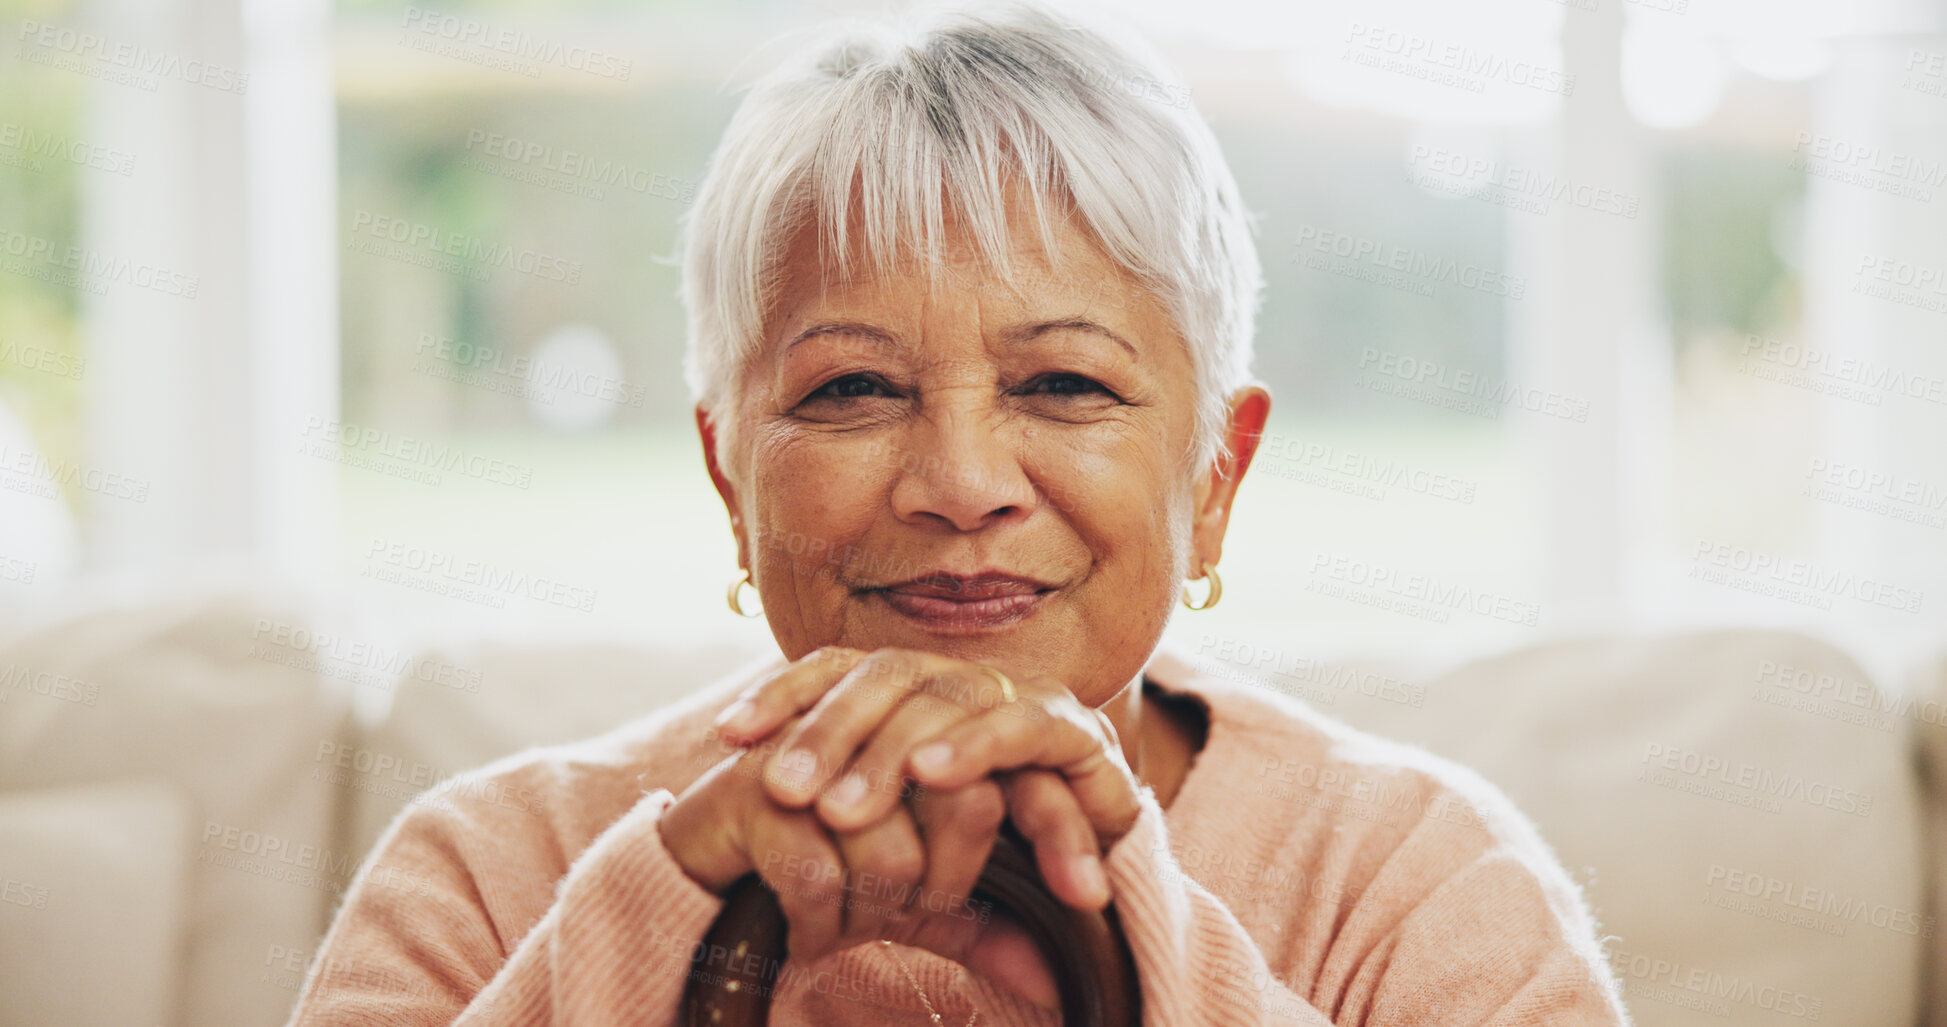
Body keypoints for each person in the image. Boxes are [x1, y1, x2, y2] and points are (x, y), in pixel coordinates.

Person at [286, 3, 1632, 1023]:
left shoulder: (1420, 884)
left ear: (1217, 474)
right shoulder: (484, 872)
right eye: (855, 387)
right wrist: (666, 919)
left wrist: (1131, 944)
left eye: (1063, 382)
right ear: (725, 474)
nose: (962, 481)